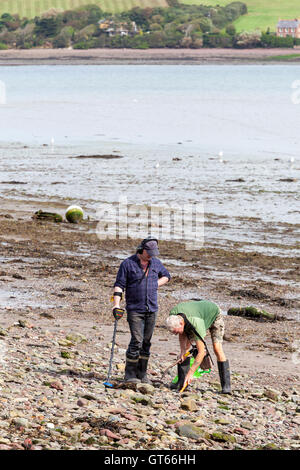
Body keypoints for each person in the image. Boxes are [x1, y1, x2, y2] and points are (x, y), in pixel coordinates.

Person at [113, 237, 171, 384]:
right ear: (142, 249)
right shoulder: (128, 264)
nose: (151, 255)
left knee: (146, 342)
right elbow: (119, 285)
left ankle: (142, 374)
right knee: (137, 341)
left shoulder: (156, 263)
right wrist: (116, 305)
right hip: (135, 309)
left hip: (152, 308)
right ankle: (130, 374)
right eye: (149, 252)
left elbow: (167, 276)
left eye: (154, 252)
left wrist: (155, 284)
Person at [165, 299, 231, 394]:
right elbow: (182, 334)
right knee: (184, 352)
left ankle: (226, 387)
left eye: (176, 331)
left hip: (214, 314)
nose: (175, 334)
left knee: (217, 348)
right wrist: (183, 351)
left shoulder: (196, 324)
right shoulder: (173, 315)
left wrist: (191, 373)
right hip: (195, 315)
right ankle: (182, 382)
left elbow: (201, 352)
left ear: (181, 323)